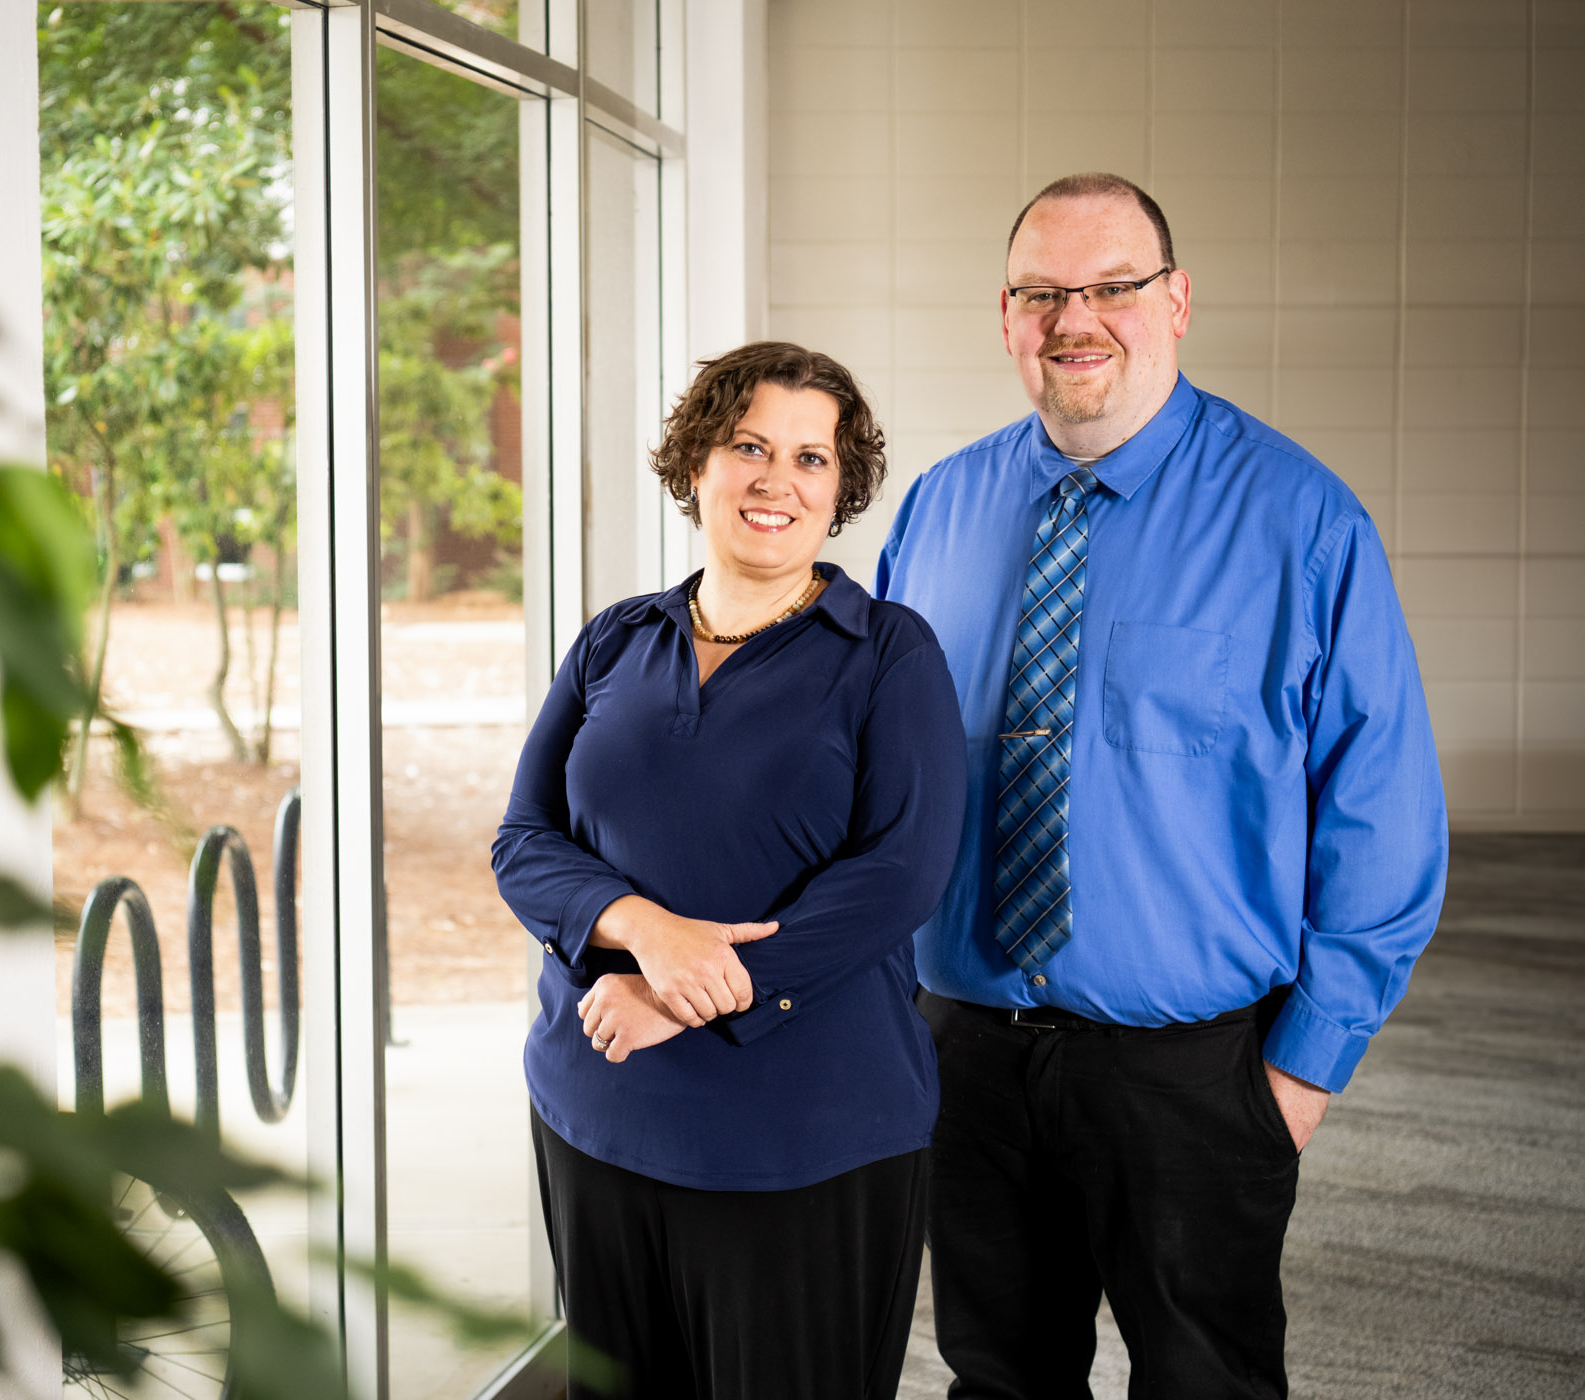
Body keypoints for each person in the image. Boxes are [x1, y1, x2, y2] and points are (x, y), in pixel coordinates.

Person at [876, 171, 1449, 1398]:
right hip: (967, 1054)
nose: (1076, 316)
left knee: (1207, 1379)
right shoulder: (937, 509)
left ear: (1177, 300)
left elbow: (1382, 815)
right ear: (1007, 313)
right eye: (1043, 292)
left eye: (1113, 286)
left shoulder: (1302, 519)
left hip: (1193, 1072)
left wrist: (1304, 1065)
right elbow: (887, 777)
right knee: (997, 1375)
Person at [492, 341, 966, 1398]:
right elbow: (525, 838)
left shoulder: (890, 653)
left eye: (811, 458)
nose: (775, 480)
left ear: (841, 489)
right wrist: (641, 927)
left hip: (804, 1134)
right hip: (599, 1112)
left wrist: (691, 991)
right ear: (696, 461)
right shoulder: (615, 640)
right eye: (749, 445)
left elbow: (900, 873)